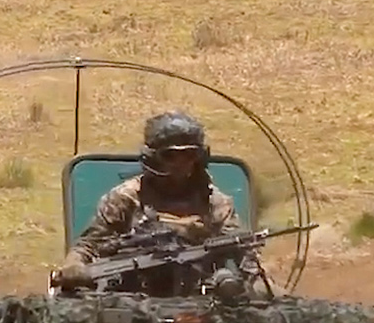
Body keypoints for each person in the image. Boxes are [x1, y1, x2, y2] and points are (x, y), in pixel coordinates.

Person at [56, 111, 256, 294]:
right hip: (131, 296)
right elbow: (88, 245)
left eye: (189, 155)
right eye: (170, 156)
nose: (181, 163)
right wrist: (74, 265)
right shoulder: (126, 197)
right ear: (153, 157)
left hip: (201, 297)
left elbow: (244, 256)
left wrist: (259, 284)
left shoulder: (215, 202)